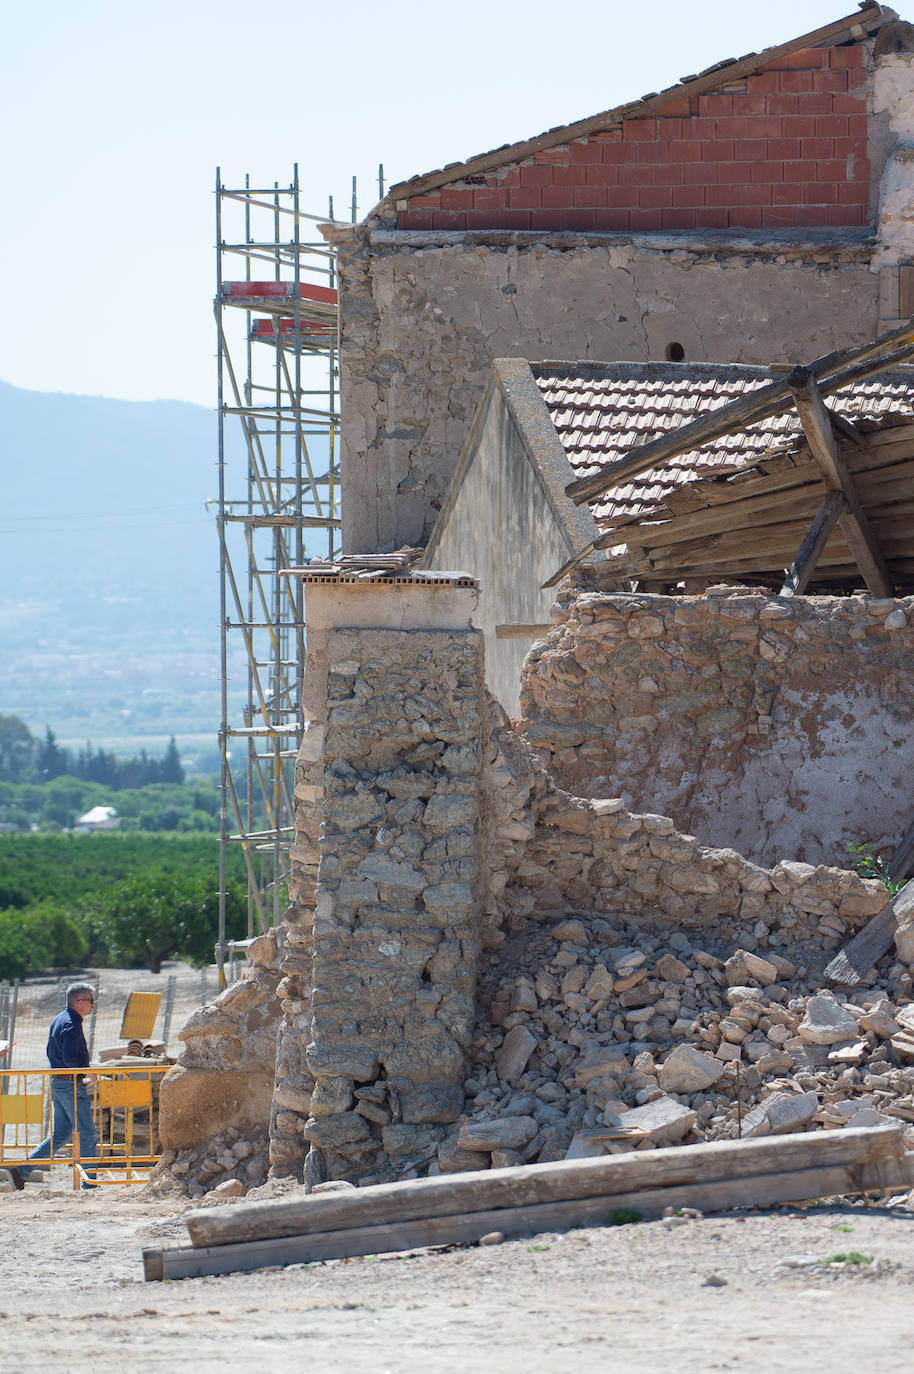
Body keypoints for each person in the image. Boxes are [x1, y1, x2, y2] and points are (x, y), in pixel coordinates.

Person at [8, 983, 99, 1190]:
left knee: (61, 1134)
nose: (93, 1004)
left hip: (59, 1083)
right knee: (87, 1133)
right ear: (79, 1002)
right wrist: (87, 1070)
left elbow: (52, 1052)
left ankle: (21, 1170)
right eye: (91, 1000)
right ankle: (90, 1183)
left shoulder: (61, 1019)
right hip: (69, 1084)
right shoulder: (71, 1025)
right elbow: (69, 1057)